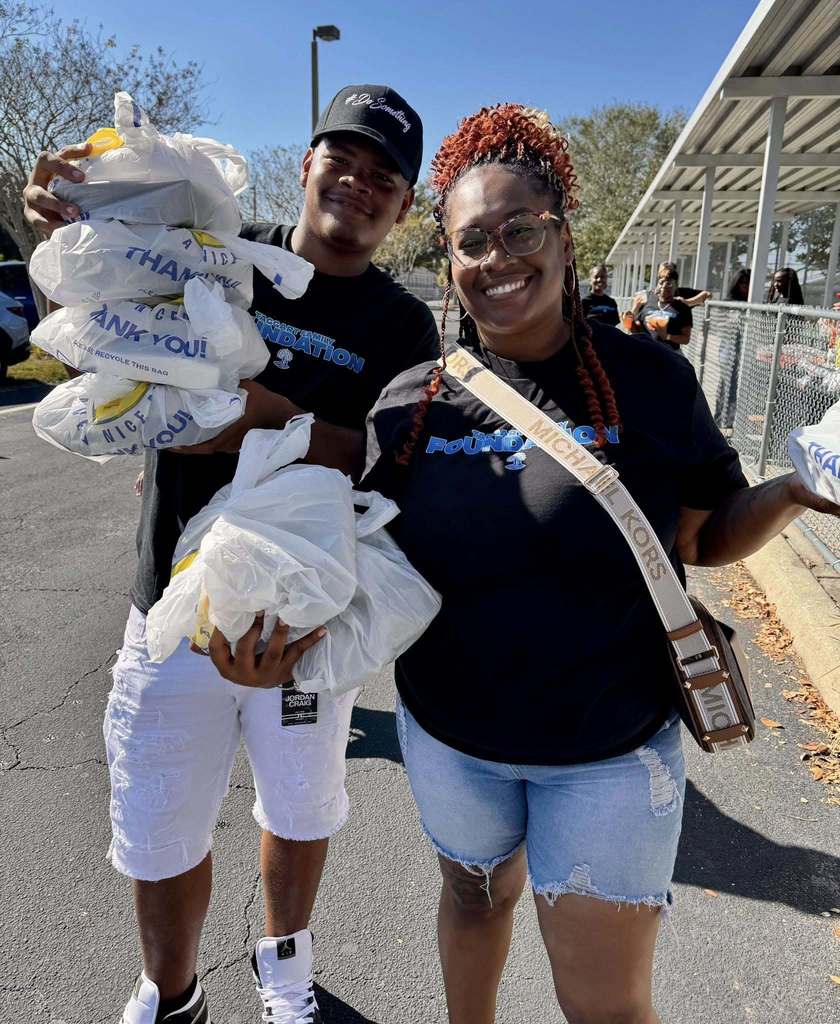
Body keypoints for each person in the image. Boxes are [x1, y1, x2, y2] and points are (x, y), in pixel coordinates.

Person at [350, 103, 839, 1024]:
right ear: (450, 265)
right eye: (471, 242)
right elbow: (355, 553)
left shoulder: (649, 380)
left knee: (605, 1005)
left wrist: (790, 493)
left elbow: (699, 538)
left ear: (565, 235)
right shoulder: (410, 402)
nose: (496, 257)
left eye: (519, 228)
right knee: (471, 899)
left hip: (607, 753)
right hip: (453, 741)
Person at [22, 84, 439, 1024]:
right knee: (157, 825)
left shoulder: (401, 327)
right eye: (344, 160)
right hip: (166, 602)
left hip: (299, 620)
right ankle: (172, 992)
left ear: (404, 207)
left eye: (385, 178)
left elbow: (383, 460)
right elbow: (100, 320)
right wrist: (62, 229)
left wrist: (268, 420)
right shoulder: (209, 247)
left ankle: (284, 966)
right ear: (307, 165)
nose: (360, 185)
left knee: (301, 812)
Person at [714, 268, 750, 430]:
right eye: (742, 283)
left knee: (738, 386)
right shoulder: (728, 302)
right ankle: (720, 418)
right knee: (726, 384)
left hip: (745, 349)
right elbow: (717, 324)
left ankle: (731, 420)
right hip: (728, 348)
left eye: (748, 283)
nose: (745, 286)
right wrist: (733, 322)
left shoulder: (752, 302)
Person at [629, 268, 694, 350]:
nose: (664, 288)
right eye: (661, 283)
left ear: (676, 286)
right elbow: (635, 328)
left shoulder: (683, 308)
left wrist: (667, 336)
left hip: (669, 352)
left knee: (683, 362)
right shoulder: (647, 301)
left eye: (669, 285)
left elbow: (685, 339)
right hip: (646, 350)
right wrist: (631, 315)